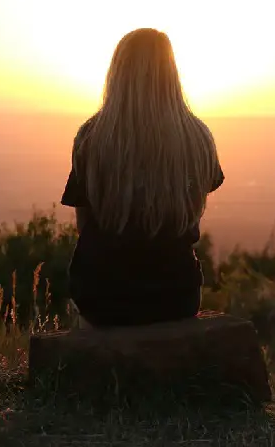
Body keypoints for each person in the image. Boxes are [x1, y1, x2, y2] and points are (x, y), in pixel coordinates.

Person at [60, 28, 225, 328]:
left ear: (117, 74)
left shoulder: (91, 137)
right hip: (176, 296)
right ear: (171, 73)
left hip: (102, 297)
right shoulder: (199, 138)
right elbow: (192, 214)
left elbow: (84, 227)